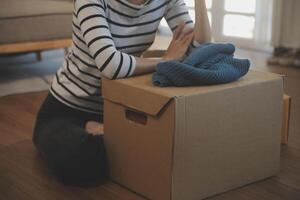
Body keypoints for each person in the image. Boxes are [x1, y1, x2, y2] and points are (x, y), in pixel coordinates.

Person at [33, 0, 211, 186]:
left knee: (173, 152)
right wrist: (165, 61)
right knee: (80, 162)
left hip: (119, 108)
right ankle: (97, 131)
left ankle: (106, 133)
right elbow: (110, 65)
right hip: (67, 110)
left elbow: (200, 49)